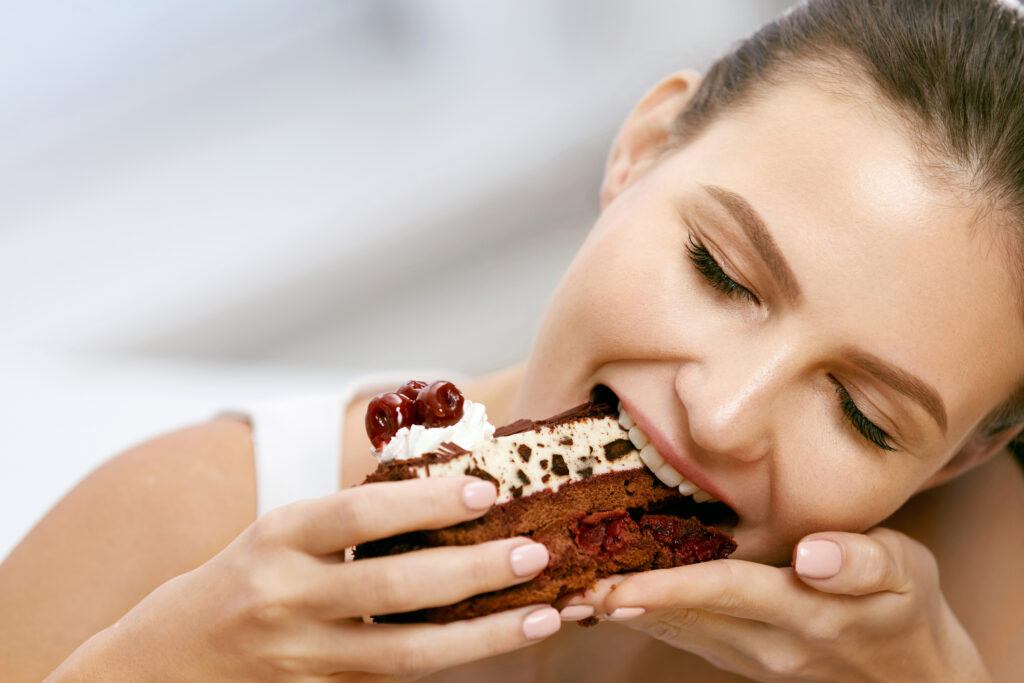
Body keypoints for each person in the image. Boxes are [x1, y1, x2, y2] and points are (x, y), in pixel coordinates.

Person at [4, 0, 1024, 680]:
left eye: (862, 415)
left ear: (960, 454)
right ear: (639, 150)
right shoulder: (180, 524)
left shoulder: (968, 589)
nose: (721, 416)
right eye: (719, 273)